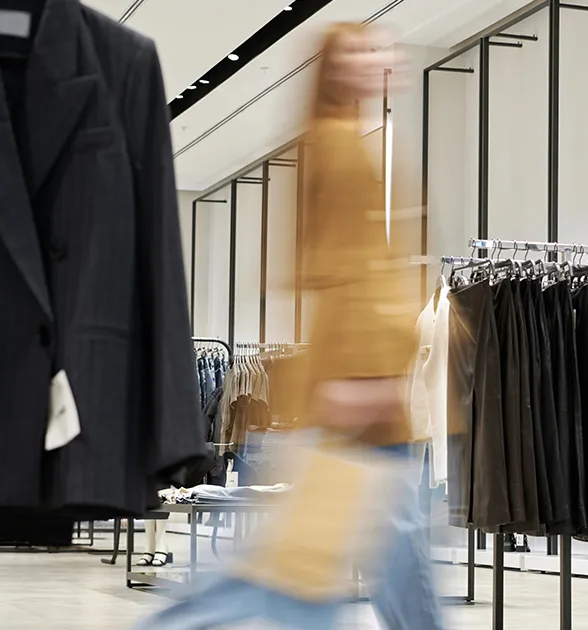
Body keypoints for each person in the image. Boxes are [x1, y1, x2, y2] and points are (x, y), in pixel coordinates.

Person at [131, 22, 443, 630]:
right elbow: (330, 266)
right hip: (360, 388)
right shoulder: (335, 143)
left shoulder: (346, 139)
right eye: (356, 53)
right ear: (333, 69)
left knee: (326, 567)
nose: (374, 62)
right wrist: (363, 371)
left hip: (363, 386)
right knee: (311, 570)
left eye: (375, 50)